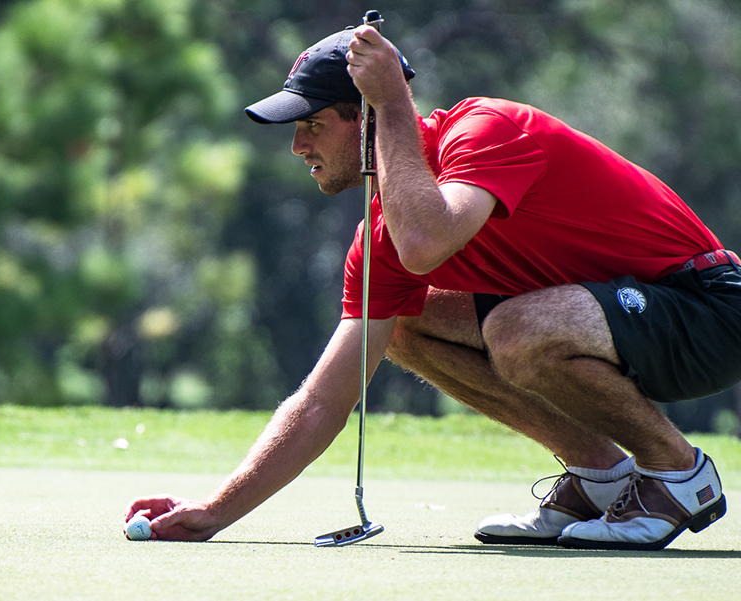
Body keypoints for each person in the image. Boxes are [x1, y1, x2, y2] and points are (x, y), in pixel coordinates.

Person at [125, 22, 741, 551]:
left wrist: (391, 102)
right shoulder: (378, 246)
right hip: (620, 328)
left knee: (515, 330)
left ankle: (679, 476)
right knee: (406, 321)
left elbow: (427, 241)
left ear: (362, 115)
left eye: (312, 124)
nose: (297, 146)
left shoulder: (484, 130)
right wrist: (215, 511)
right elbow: (321, 402)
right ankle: (601, 474)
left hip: (711, 309)